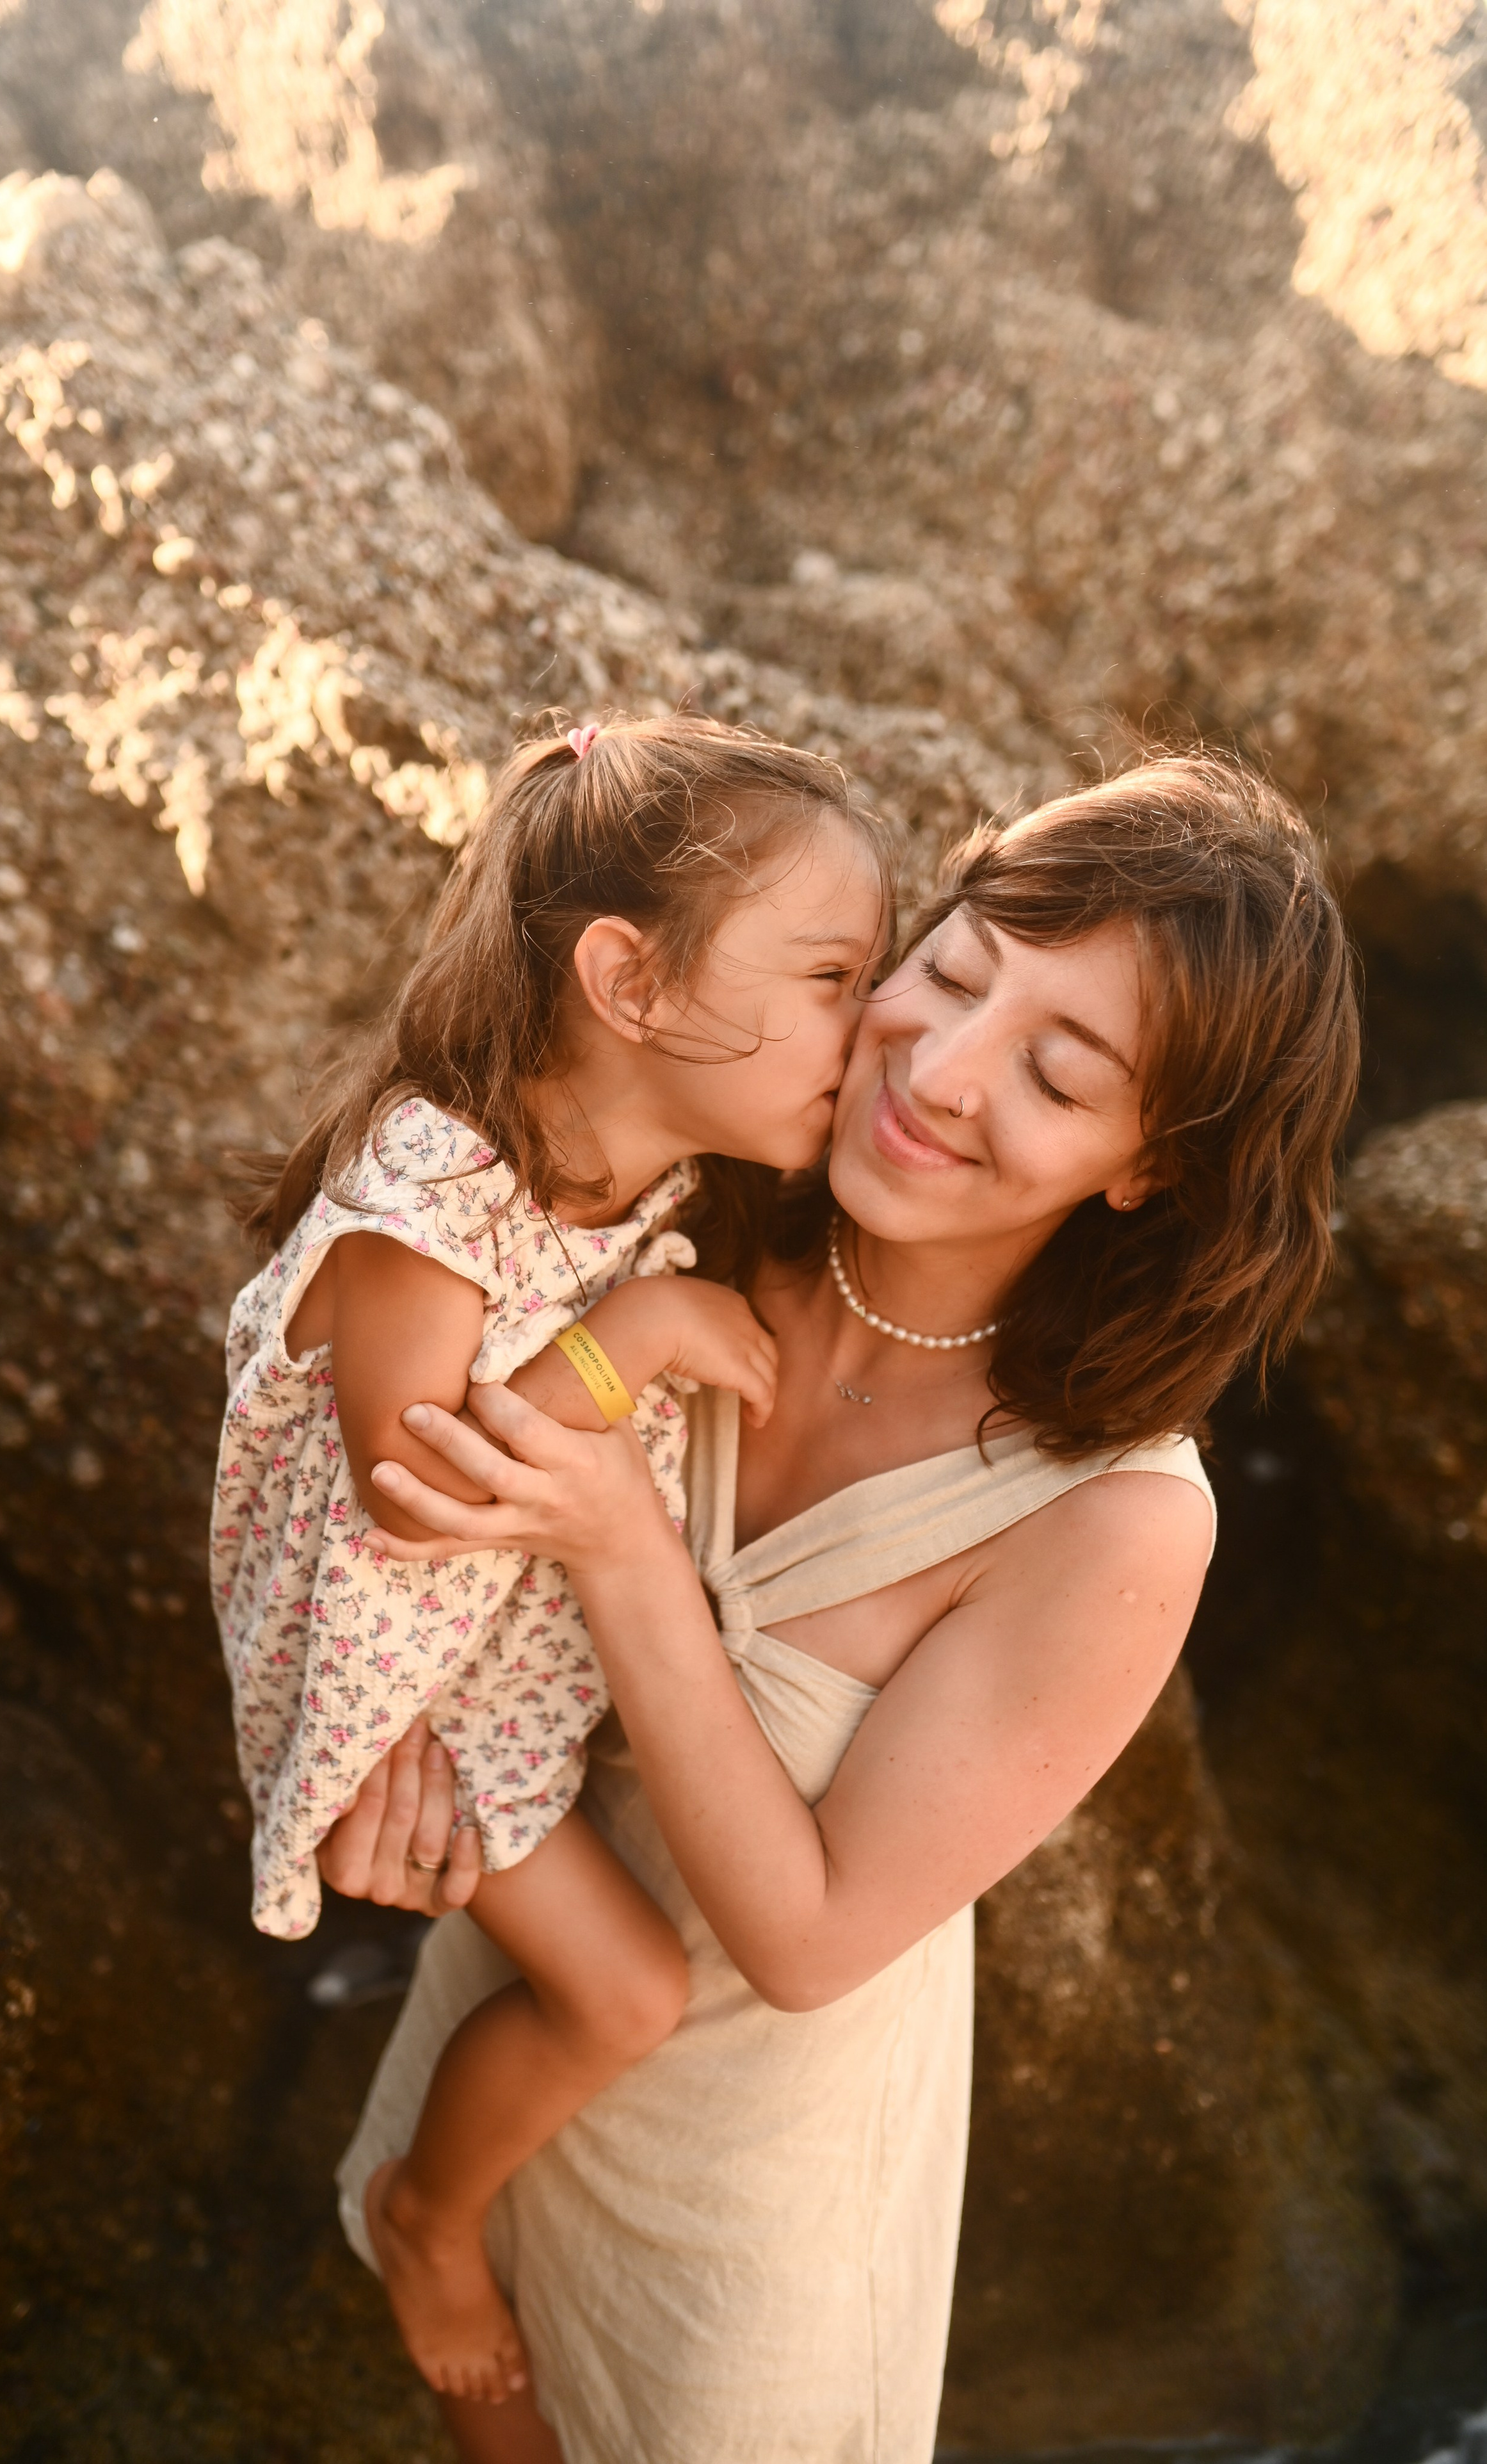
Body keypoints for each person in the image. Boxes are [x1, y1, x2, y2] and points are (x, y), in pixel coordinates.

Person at [326, 752, 1361, 2464]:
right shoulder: (706, 1210)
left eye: (1055, 1071)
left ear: (1147, 1167)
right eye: (950, 975)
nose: (939, 1075)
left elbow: (810, 1942)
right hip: (510, 2038)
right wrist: (383, 1748)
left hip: (743, 2209)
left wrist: (621, 1543)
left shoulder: (1110, 1517)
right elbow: (380, 1461)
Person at [212, 712, 889, 2402]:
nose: (869, 1028)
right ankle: (429, 2216)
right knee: (631, 1995)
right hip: (387, 1670)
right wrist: (641, 1335)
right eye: (829, 974)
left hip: (489, 1652)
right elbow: (413, 1490)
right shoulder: (432, 1185)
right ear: (629, 982)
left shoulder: (659, 1179)